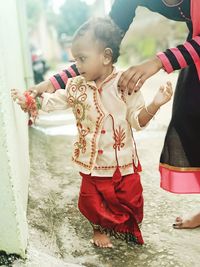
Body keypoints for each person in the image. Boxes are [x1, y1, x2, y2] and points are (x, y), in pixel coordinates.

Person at [12, 18, 173, 248]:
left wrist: (156, 104)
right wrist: (30, 101)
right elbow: (52, 102)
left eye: (82, 58)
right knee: (92, 199)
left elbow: (137, 121)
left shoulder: (124, 85)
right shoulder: (76, 86)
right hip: (92, 162)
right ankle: (98, 227)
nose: (77, 65)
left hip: (122, 161)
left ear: (106, 57)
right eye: (75, 59)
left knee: (131, 200)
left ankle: (125, 225)